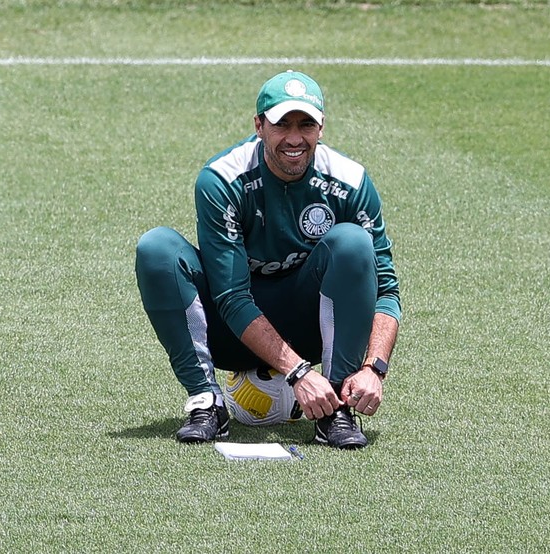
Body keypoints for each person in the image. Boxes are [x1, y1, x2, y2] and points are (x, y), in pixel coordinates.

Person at [135, 70, 401, 449]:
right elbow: (231, 297)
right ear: (259, 125)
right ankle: (206, 402)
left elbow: (387, 290)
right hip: (231, 332)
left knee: (352, 243)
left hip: (310, 328)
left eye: (306, 124)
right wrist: (298, 374)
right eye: (282, 124)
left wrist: (373, 368)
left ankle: (336, 409)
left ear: (321, 127)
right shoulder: (222, 179)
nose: (294, 138)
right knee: (157, 249)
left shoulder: (351, 181)